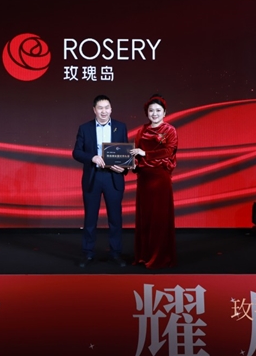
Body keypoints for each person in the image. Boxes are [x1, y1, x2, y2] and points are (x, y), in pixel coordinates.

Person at [73, 95, 129, 267]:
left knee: (115, 218)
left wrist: (124, 168)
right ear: (94, 110)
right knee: (90, 218)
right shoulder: (85, 128)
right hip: (93, 176)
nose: (104, 111)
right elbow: (76, 152)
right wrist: (92, 157)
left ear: (111, 109)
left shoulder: (120, 127)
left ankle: (116, 253)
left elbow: (125, 153)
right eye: (100, 108)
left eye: (107, 107)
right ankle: (88, 253)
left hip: (113, 178)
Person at [130, 94, 178, 269]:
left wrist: (146, 154)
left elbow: (169, 152)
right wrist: (132, 164)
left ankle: (160, 257)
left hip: (160, 178)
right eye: (151, 111)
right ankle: (144, 256)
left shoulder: (170, 130)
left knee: (160, 218)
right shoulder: (141, 130)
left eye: (158, 110)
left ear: (164, 112)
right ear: (147, 112)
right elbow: (135, 153)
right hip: (144, 178)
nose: (154, 114)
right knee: (145, 218)